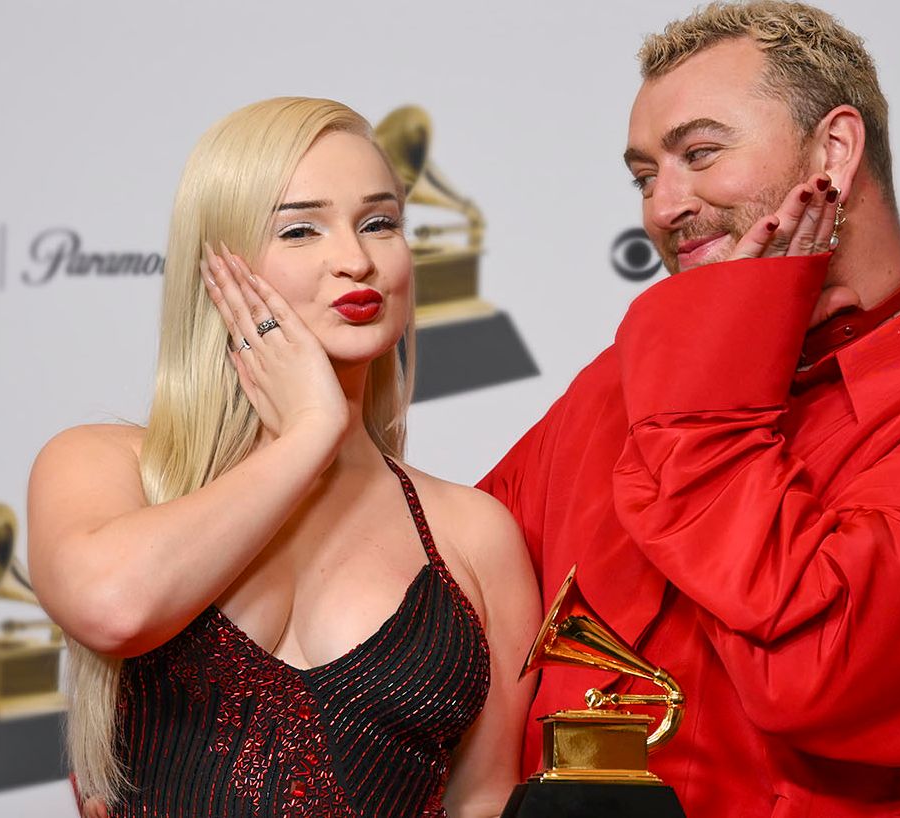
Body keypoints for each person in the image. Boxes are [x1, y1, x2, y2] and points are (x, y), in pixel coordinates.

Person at [479, 3, 900, 816]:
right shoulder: (624, 383)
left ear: (835, 150)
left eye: (700, 154)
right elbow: (452, 581)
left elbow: (809, 675)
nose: (660, 209)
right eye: (646, 175)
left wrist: (714, 384)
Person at [28, 97, 539, 818]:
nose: (356, 259)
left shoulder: (474, 533)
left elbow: (485, 802)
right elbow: (114, 609)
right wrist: (307, 433)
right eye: (300, 229)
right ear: (219, 263)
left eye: (380, 222)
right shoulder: (104, 467)